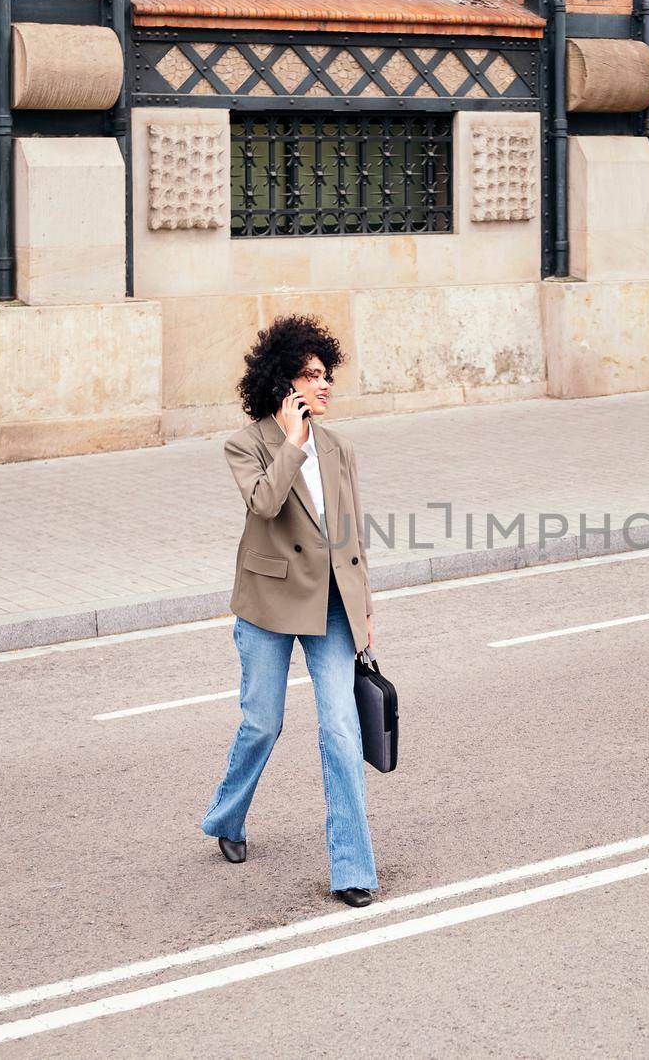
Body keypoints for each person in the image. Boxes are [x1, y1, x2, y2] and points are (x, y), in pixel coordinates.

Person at [200, 314, 380, 908]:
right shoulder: (245, 444)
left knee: (341, 729)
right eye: (311, 376)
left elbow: (351, 535)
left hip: (329, 606)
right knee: (262, 722)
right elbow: (265, 502)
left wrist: (364, 612)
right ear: (284, 384)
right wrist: (292, 445)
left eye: (327, 374)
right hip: (268, 605)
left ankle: (353, 868)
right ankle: (228, 816)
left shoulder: (341, 447)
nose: (325, 385)